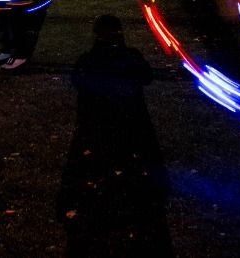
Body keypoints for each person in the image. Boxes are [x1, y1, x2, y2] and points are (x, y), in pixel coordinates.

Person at [56, 15, 172, 256]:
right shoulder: (131, 57)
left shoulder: (88, 61)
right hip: (130, 125)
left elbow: (78, 81)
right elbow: (147, 77)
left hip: (99, 128)